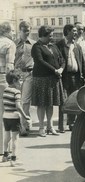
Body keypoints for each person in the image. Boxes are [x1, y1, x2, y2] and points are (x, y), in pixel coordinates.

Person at [31, 25, 66, 137]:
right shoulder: (36, 47)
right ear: (43, 36)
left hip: (53, 78)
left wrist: (61, 68)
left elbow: (62, 59)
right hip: (41, 79)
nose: (52, 38)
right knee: (42, 104)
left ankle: (50, 127)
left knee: (50, 104)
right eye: (50, 36)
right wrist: (55, 70)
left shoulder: (53, 46)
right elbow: (40, 61)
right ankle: (41, 127)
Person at [56, 24, 85, 132]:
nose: (76, 33)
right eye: (73, 31)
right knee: (63, 101)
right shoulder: (59, 45)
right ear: (67, 32)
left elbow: (82, 61)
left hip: (76, 77)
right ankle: (62, 126)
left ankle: (72, 123)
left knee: (74, 101)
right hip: (64, 77)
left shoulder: (77, 46)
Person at [2, 71, 30, 166]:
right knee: (15, 138)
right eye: (19, 81)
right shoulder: (17, 92)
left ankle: (5, 155)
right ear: (14, 81)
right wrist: (24, 116)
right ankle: (13, 159)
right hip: (14, 117)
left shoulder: (5, 90)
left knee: (7, 136)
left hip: (6, 116)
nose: (20, 83)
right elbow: (18, 106)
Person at [14, 21, 36, 136]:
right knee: (17, 100)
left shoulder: (33, 44)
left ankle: (23, 126)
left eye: (28, 30)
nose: (26, 32)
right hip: (17, 75)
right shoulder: (14, 44)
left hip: (29, 74)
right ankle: (25, 122)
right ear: (20, 30)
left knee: (26, 101)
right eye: (24, 30)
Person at [0, 22, 15, 154]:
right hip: (3, 80)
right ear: (7, 31)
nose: (13, 33)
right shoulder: (10, 44)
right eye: (12, 31)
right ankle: (4, 147)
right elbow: (10, 67)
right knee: (6, 113)